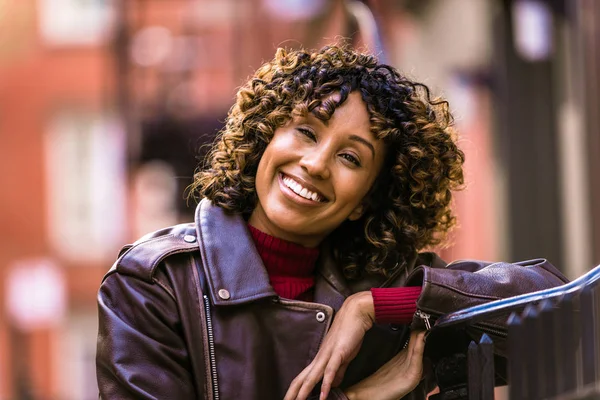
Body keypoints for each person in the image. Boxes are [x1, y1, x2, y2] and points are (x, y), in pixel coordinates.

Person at [96, 45, 567, 400]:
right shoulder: (155, 284)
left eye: (349, 157)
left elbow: (566, 311)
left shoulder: (385, 284)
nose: (316, 164)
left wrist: (374, 307)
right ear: (266, 137)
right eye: (305, 131)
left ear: (366, 200)